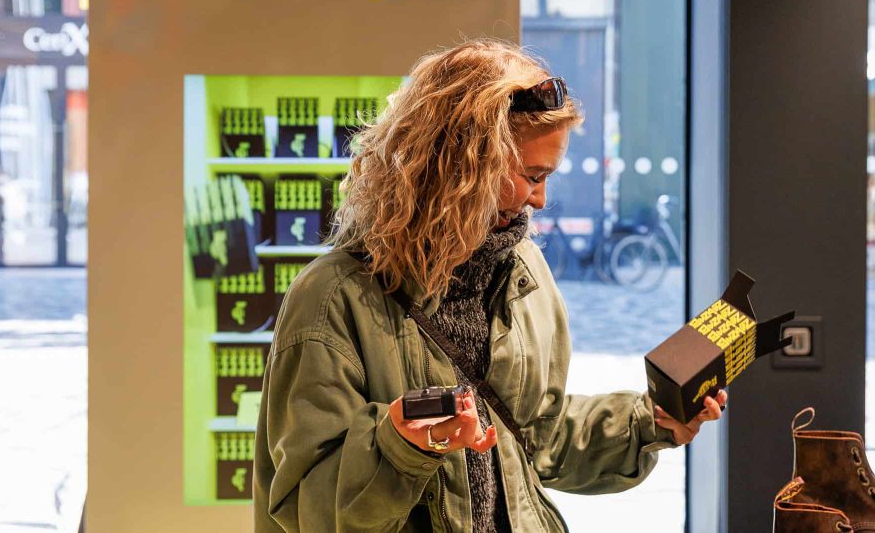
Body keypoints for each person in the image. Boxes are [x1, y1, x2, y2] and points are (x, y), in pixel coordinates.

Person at [252, 39, 726, 532]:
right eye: (531, 175)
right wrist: (402, 445)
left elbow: (540, 437)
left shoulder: (523, 270)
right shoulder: (333, 298)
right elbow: (308, 510)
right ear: (461, 167)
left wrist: (649, 422)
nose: (540, 200)